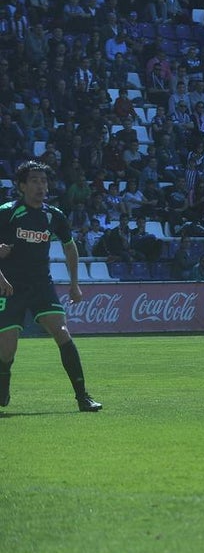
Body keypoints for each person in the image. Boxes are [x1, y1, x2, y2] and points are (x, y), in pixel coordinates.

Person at [0, 161, 101, 412]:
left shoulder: (54, 215)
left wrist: (75, 284)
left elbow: (69, 246)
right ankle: (2, 389)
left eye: (43, 181)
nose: (40, 186)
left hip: (41, 285)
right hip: (9, 287)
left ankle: (83, 397)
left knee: (62, 332)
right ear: (22, 186)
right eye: (34, 180)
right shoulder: (7, 212)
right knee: (7, 348)